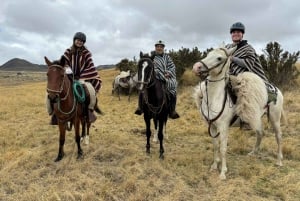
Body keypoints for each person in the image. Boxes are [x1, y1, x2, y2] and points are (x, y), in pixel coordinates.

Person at [193, 22, 275, 129]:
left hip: (248, 76)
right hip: (230, 75)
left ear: (242, 34)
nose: (236, 34)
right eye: (234, 32)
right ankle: (209, 111)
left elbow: (248, 64)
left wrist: (233, 58)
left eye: (238, 32)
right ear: (231, 34)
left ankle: (246, 119)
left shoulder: (248, 48)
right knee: (207, 86)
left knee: (244, 91)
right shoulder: (227, 47)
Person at [47, 32, 102, 125]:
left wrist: (82, 76)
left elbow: (91, 67)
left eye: (81, 41)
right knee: (52, 91)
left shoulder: (86, 53)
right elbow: (63, 62)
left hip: (83, 77)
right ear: (74, 40)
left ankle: (89, 111)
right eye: (78, 40)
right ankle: (54, 113)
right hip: (69, 76)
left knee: (91, 92)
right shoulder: (68, 51)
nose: (79, 42)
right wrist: (68, 70)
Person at [134, 40, 180, 119]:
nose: (159, 48)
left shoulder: (167, 57)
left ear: (163, 48)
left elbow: (172, 66)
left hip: (167, 77)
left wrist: (168, 72)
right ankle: (140, 108)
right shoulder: (152, 57)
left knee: (173, 91)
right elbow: (148, 67)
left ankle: (172, 111)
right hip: (155, 77)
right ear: (155, 47)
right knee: (143, 88)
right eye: (157, 46)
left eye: (161, 47)